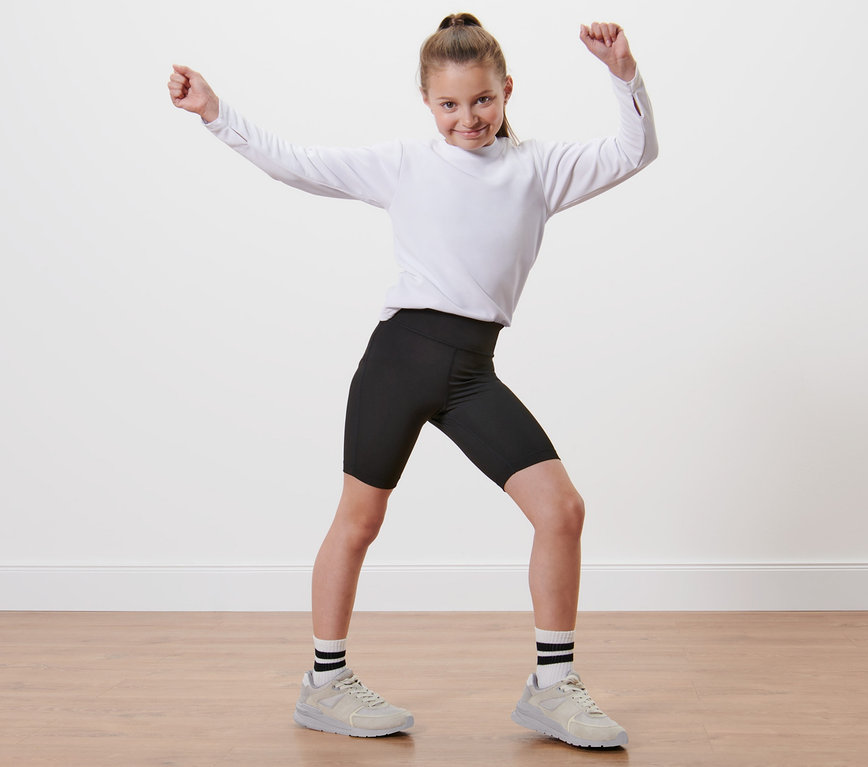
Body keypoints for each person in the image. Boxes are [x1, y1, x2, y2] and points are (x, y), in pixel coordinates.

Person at [168, 12, 657, 749]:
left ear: (506, 90)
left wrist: (624, 74)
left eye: (483, 100)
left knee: (561, 508)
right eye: (450, 105)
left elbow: (635, 148)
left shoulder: (537, 168)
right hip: (400, 361)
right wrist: (216, 113)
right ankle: (324, 683)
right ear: (428, 105)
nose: (469, 118)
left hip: (471, 373)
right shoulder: (404, 163)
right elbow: (295, 162)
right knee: (359, 521)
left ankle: (552, 687)